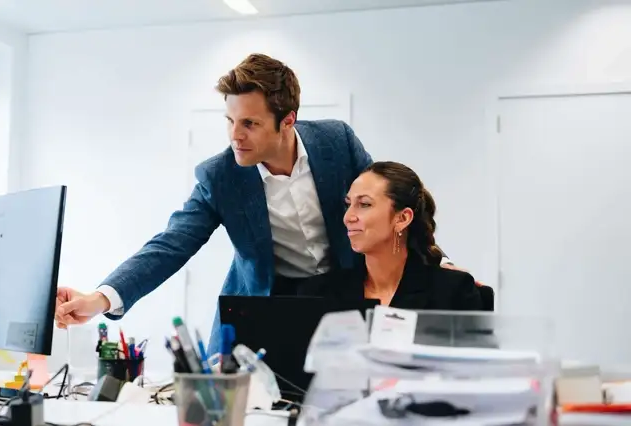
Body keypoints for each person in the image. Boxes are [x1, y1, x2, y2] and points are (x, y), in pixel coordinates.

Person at [54, 53, 472, 353]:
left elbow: (388, 206)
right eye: (231, 121)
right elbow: (170, 245)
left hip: (342, 292)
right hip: (265, 303)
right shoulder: (220, 175)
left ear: (287, 120)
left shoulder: (336, 142)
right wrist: (100, 298)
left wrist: (437, 262)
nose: (236, 136)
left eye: (250, 124)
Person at [297, 161, 482, 311]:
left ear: (402, 218)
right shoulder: (317, 292)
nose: (348, 217)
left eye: (364, 204)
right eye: (348, 204)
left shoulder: (453, 292)